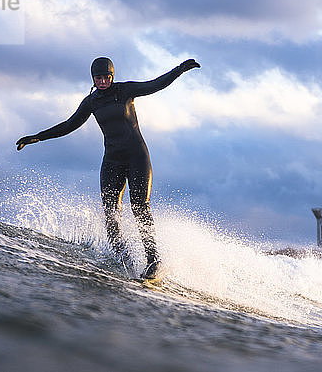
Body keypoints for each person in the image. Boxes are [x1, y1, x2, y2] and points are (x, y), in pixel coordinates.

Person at [16, 57, 200, 279]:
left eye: (106, 77)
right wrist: (37, 137)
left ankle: (153, 260)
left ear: (112, 76)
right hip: (112, 159)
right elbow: (68, 125)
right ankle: (123, 259)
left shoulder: (125, 91)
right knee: (111, 212)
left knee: (140, 206)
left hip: (136, 156)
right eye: (98, 78)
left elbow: (155, 84)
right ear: (93, 78)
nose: (103, 81)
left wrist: (180, 69)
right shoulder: (91, 102)